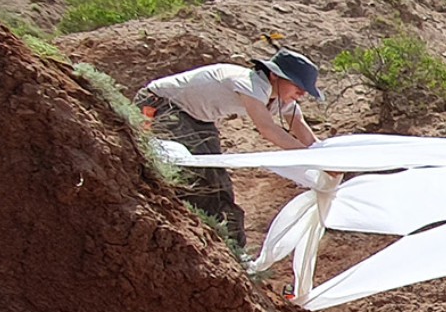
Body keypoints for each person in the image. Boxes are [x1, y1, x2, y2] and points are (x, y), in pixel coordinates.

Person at [134, 48, 324, 248]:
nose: (301, 94)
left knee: (218, 187)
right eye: (298, 86)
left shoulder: (281, 100)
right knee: (193, 174)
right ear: (274, 75)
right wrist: (313, 162)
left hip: (199, 119)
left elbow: (302, 129)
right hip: (160, 105)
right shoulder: (251, 83)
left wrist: (327, 160)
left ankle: (232, 248)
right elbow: (267, 128)